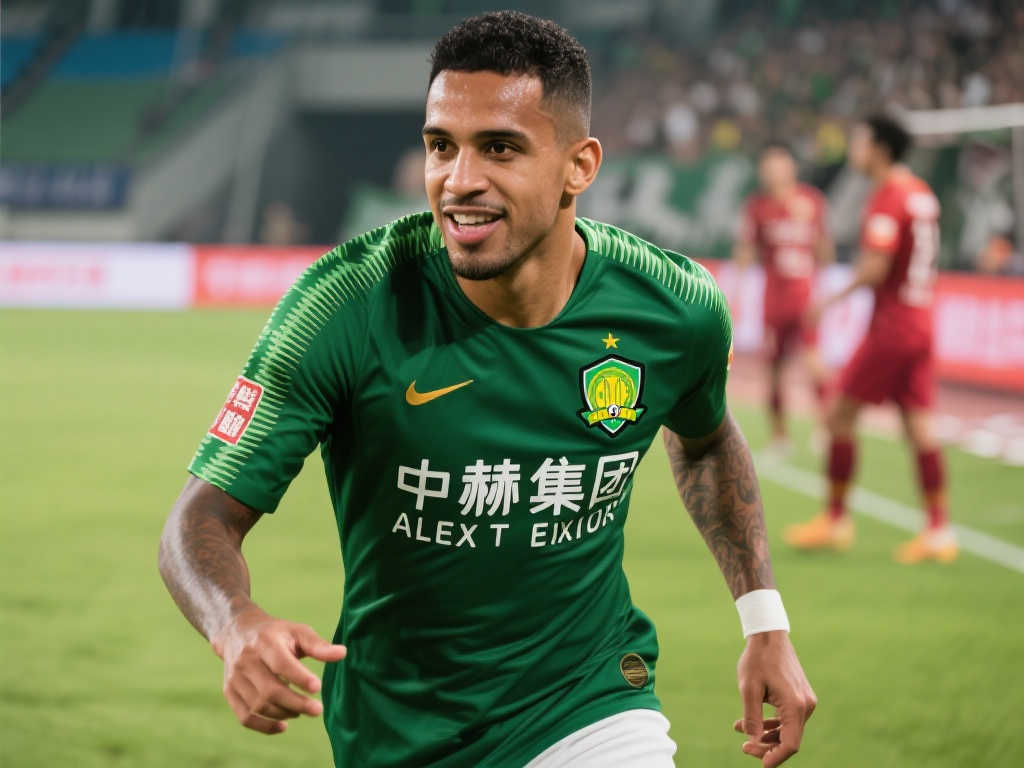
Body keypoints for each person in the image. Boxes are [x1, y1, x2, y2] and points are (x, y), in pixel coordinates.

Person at [159, 12, 816, 767]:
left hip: (592, 704)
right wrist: (234, 621)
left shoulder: (673, 309)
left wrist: (765, 621)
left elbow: (705, 441)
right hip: (397, 730)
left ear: (580, 165)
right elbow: (199, 518)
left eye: (499, 148)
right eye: (442, 146)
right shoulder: (344, 306)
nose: (459, 180)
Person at [785, 115, 957, 564]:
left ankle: (835, 520)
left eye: (860, 141)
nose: (854, 150)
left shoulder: (888, 197)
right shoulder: (922, 193)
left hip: (893, 327)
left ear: (880, 148)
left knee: (839, 415)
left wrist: (828, 301)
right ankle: (939, 530)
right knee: (920, 426)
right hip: (922, 320)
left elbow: (875, 268)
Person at [734, 141, 832, 454]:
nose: (774, 172)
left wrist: (824, 287)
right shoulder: (757, 207)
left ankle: (825, 428)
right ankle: (780, 437)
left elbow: (824, 248)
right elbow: (746, 250)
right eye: (768, 167)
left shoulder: (812, 201)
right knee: (774, 370)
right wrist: (736, 291)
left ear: (791, 167)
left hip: (805, 297)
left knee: (814, 361)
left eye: (779, 165)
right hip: (774, 300)